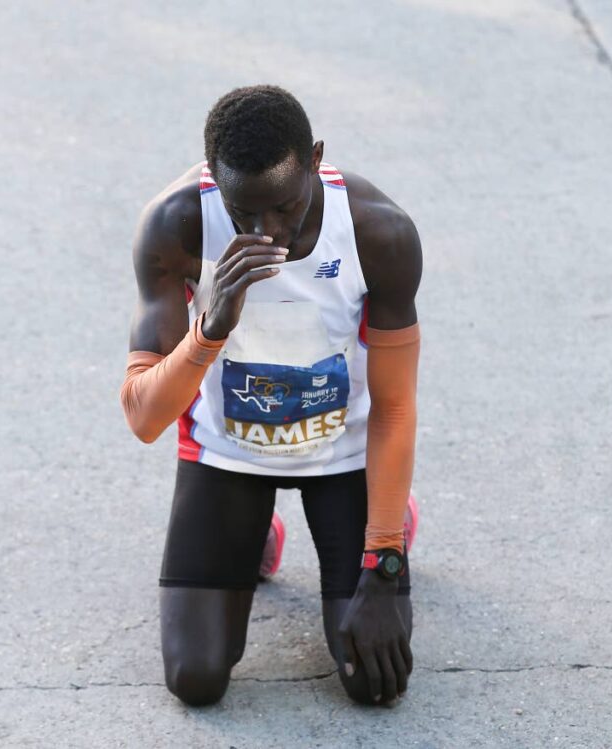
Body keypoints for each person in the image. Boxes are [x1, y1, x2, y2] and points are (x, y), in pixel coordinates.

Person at [119, 85, 422, 707]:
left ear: (316, 160)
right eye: (243, 213)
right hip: (230, 456)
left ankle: (396, 514)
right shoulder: (175, 227)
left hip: (344, 457)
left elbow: (394, 406)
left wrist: (384, 557)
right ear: (214, 181)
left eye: (284, 207)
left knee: (374, 683)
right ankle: (253, 534)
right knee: (195, 682)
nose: (267, 233)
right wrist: (211, 329)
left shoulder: (378, 233)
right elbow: (145, 417)